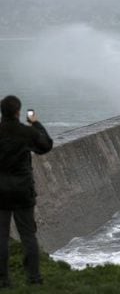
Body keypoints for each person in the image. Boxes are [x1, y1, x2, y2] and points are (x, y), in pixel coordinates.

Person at [0, 95, 53, 288]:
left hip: (1, 192)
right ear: (18, 112)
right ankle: (34, 278)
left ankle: (3, 280)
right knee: (28, 235)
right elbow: (46, 146)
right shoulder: (26, 132)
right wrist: (36, 124)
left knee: (1, 237)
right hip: (22, 191)